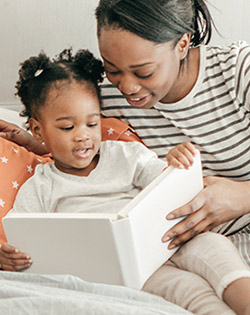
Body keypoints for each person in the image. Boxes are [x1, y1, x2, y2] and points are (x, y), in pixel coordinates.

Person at [1, 48, 250, 315]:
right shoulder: (41, 186)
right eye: (67, 128)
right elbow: (22, 234)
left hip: (168, 239)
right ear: (38, 130)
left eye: (92, 124)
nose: (83, 136)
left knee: (214, 248)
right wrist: (5, 254)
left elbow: (164, 182)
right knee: (186, 289)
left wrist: (174, 162)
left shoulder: (123, 153)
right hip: (129, 270)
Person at [95, 0, 250, 262]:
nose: (127, 87)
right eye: (112, 69)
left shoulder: (238, 70)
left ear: (182, 44)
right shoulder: (103, 97)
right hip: (186, 257)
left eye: (144, 72)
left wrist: (243, 197)